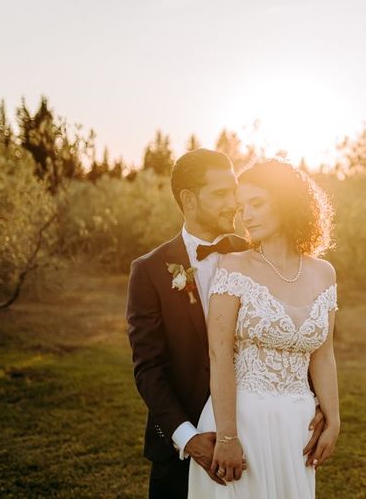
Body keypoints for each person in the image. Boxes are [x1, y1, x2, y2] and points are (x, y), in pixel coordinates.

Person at [125, 150, 329, 498]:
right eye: (221, 195)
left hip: (261, 433)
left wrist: (314, 401)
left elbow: (291, 324)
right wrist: (189, 438)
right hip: (184, 443)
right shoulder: (149, 271)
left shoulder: (259, 252)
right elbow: (149, 369)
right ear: (189, 199)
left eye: (234, 192)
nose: (234, 205)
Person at [188, 158, 341, 498]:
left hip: (297, 427)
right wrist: (227, 436)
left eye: (257, 204)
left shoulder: (324, 273)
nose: (247, 216)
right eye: (242, 207)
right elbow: (220, 354)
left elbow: (324, 354)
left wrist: (333, 419)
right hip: (243, 421)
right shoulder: (235, 267)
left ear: (287, 203)